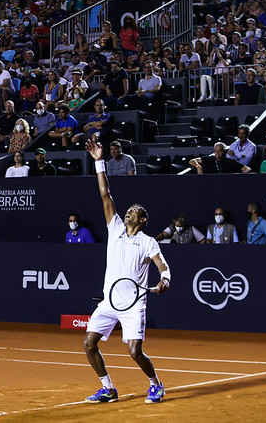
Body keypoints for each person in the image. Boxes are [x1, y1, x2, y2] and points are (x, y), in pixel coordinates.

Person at [82, 138, 170, 404]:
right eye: (129, 210)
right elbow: (105, 194)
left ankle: (156, 384)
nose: (129, 211)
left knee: (134, 351)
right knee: (88, 343)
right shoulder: (115, 228)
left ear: (142, 220)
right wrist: (99, 161)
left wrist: (165, 279)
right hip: (109, 300)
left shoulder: (148, 241)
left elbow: (162, 265)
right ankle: (108, 388)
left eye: (135, 211)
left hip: (134, 304)